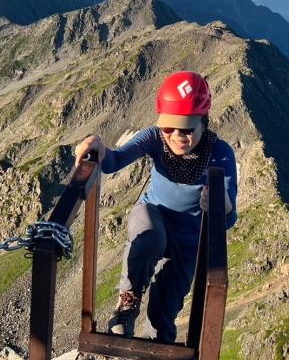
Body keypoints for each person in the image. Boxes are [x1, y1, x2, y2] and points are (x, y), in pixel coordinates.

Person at [74, 71, 239, 342]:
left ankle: (157, 351)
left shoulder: (220, 154)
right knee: (148, 236)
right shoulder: (153, 138)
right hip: (153, 216)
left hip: (188, 243)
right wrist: (98, 146)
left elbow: (229, 219)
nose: (177, 135)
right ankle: (127, 306)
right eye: (169, 128)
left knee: (164, 311)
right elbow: (114, 162)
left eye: (187, 129)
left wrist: (223, 205)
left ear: (203, 121)